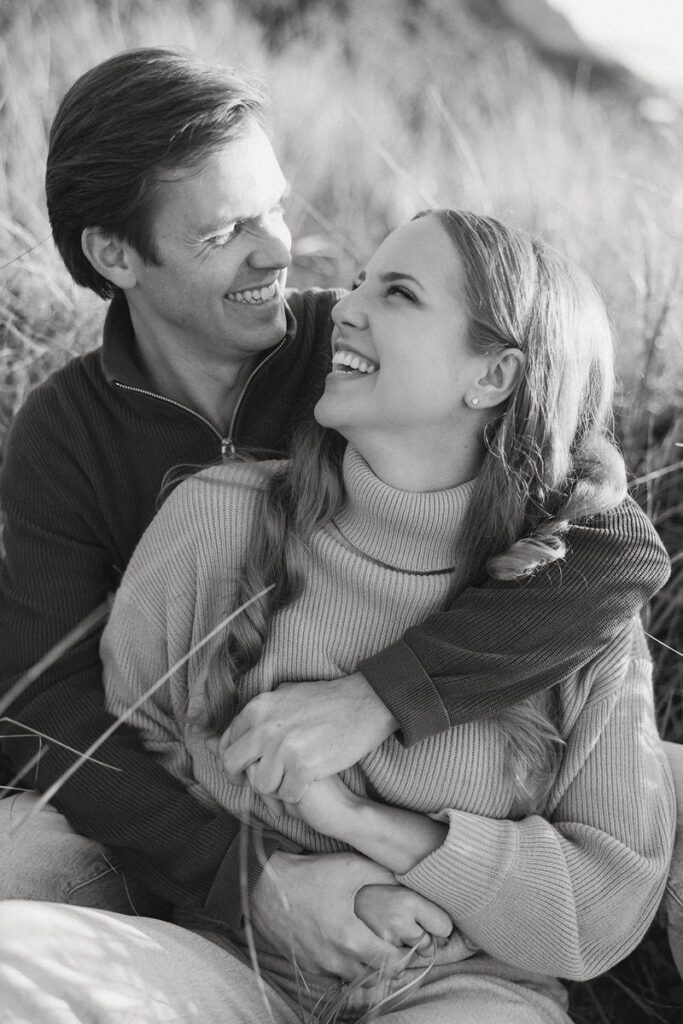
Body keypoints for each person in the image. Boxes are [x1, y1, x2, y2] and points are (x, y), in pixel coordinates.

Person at [0, 48, 672, 977]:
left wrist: (379, 700)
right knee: (15, 871)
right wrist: (251, 880)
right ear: (116, 253)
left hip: (422, 852)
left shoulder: (357, 351)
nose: (278, 248)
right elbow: (47, 703)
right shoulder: (66, 431)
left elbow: (616, 551)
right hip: (176, 821)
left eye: (273, 204)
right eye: (225, 230)